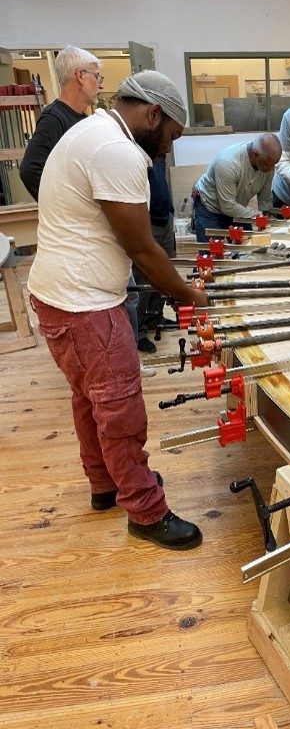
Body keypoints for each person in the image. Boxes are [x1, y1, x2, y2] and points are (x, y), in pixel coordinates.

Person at [27, 70, 208, 550]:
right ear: (153, 114)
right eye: (172, 134)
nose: (168, 148)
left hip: (57, 295)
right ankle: (145, 511)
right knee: (120, 407)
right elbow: (144, 249)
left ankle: (107, 483)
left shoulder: (90, 130)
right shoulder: (118, 151)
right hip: (85, 305)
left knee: (90, 399)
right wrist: (189, 296)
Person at [19, 45, 103, 201]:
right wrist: (64, 208)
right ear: (80, 75)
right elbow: (30, 170)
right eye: (96, 76)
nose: (100, 84)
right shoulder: (54, 119)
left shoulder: (83, 120)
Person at [192, 134, 281, 242]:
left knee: (248, 247)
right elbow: (227, 205)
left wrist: (265, 222)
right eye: (268, 164)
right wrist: (254, 214)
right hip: (210, 208)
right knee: (212, 253)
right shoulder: (228, 163)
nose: (271, 169)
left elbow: (265, 200)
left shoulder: (268, 166)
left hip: (236, 208)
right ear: (255, 154)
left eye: (274, 165)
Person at [134, 155, 176, 354]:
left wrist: (170, 209)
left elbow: (162, 181)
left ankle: (155, 317)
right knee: (144, 279)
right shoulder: (136, 151)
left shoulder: (159, 152)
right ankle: (138, 331)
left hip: (164, 218)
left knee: (165, 274)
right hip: (148, 220)